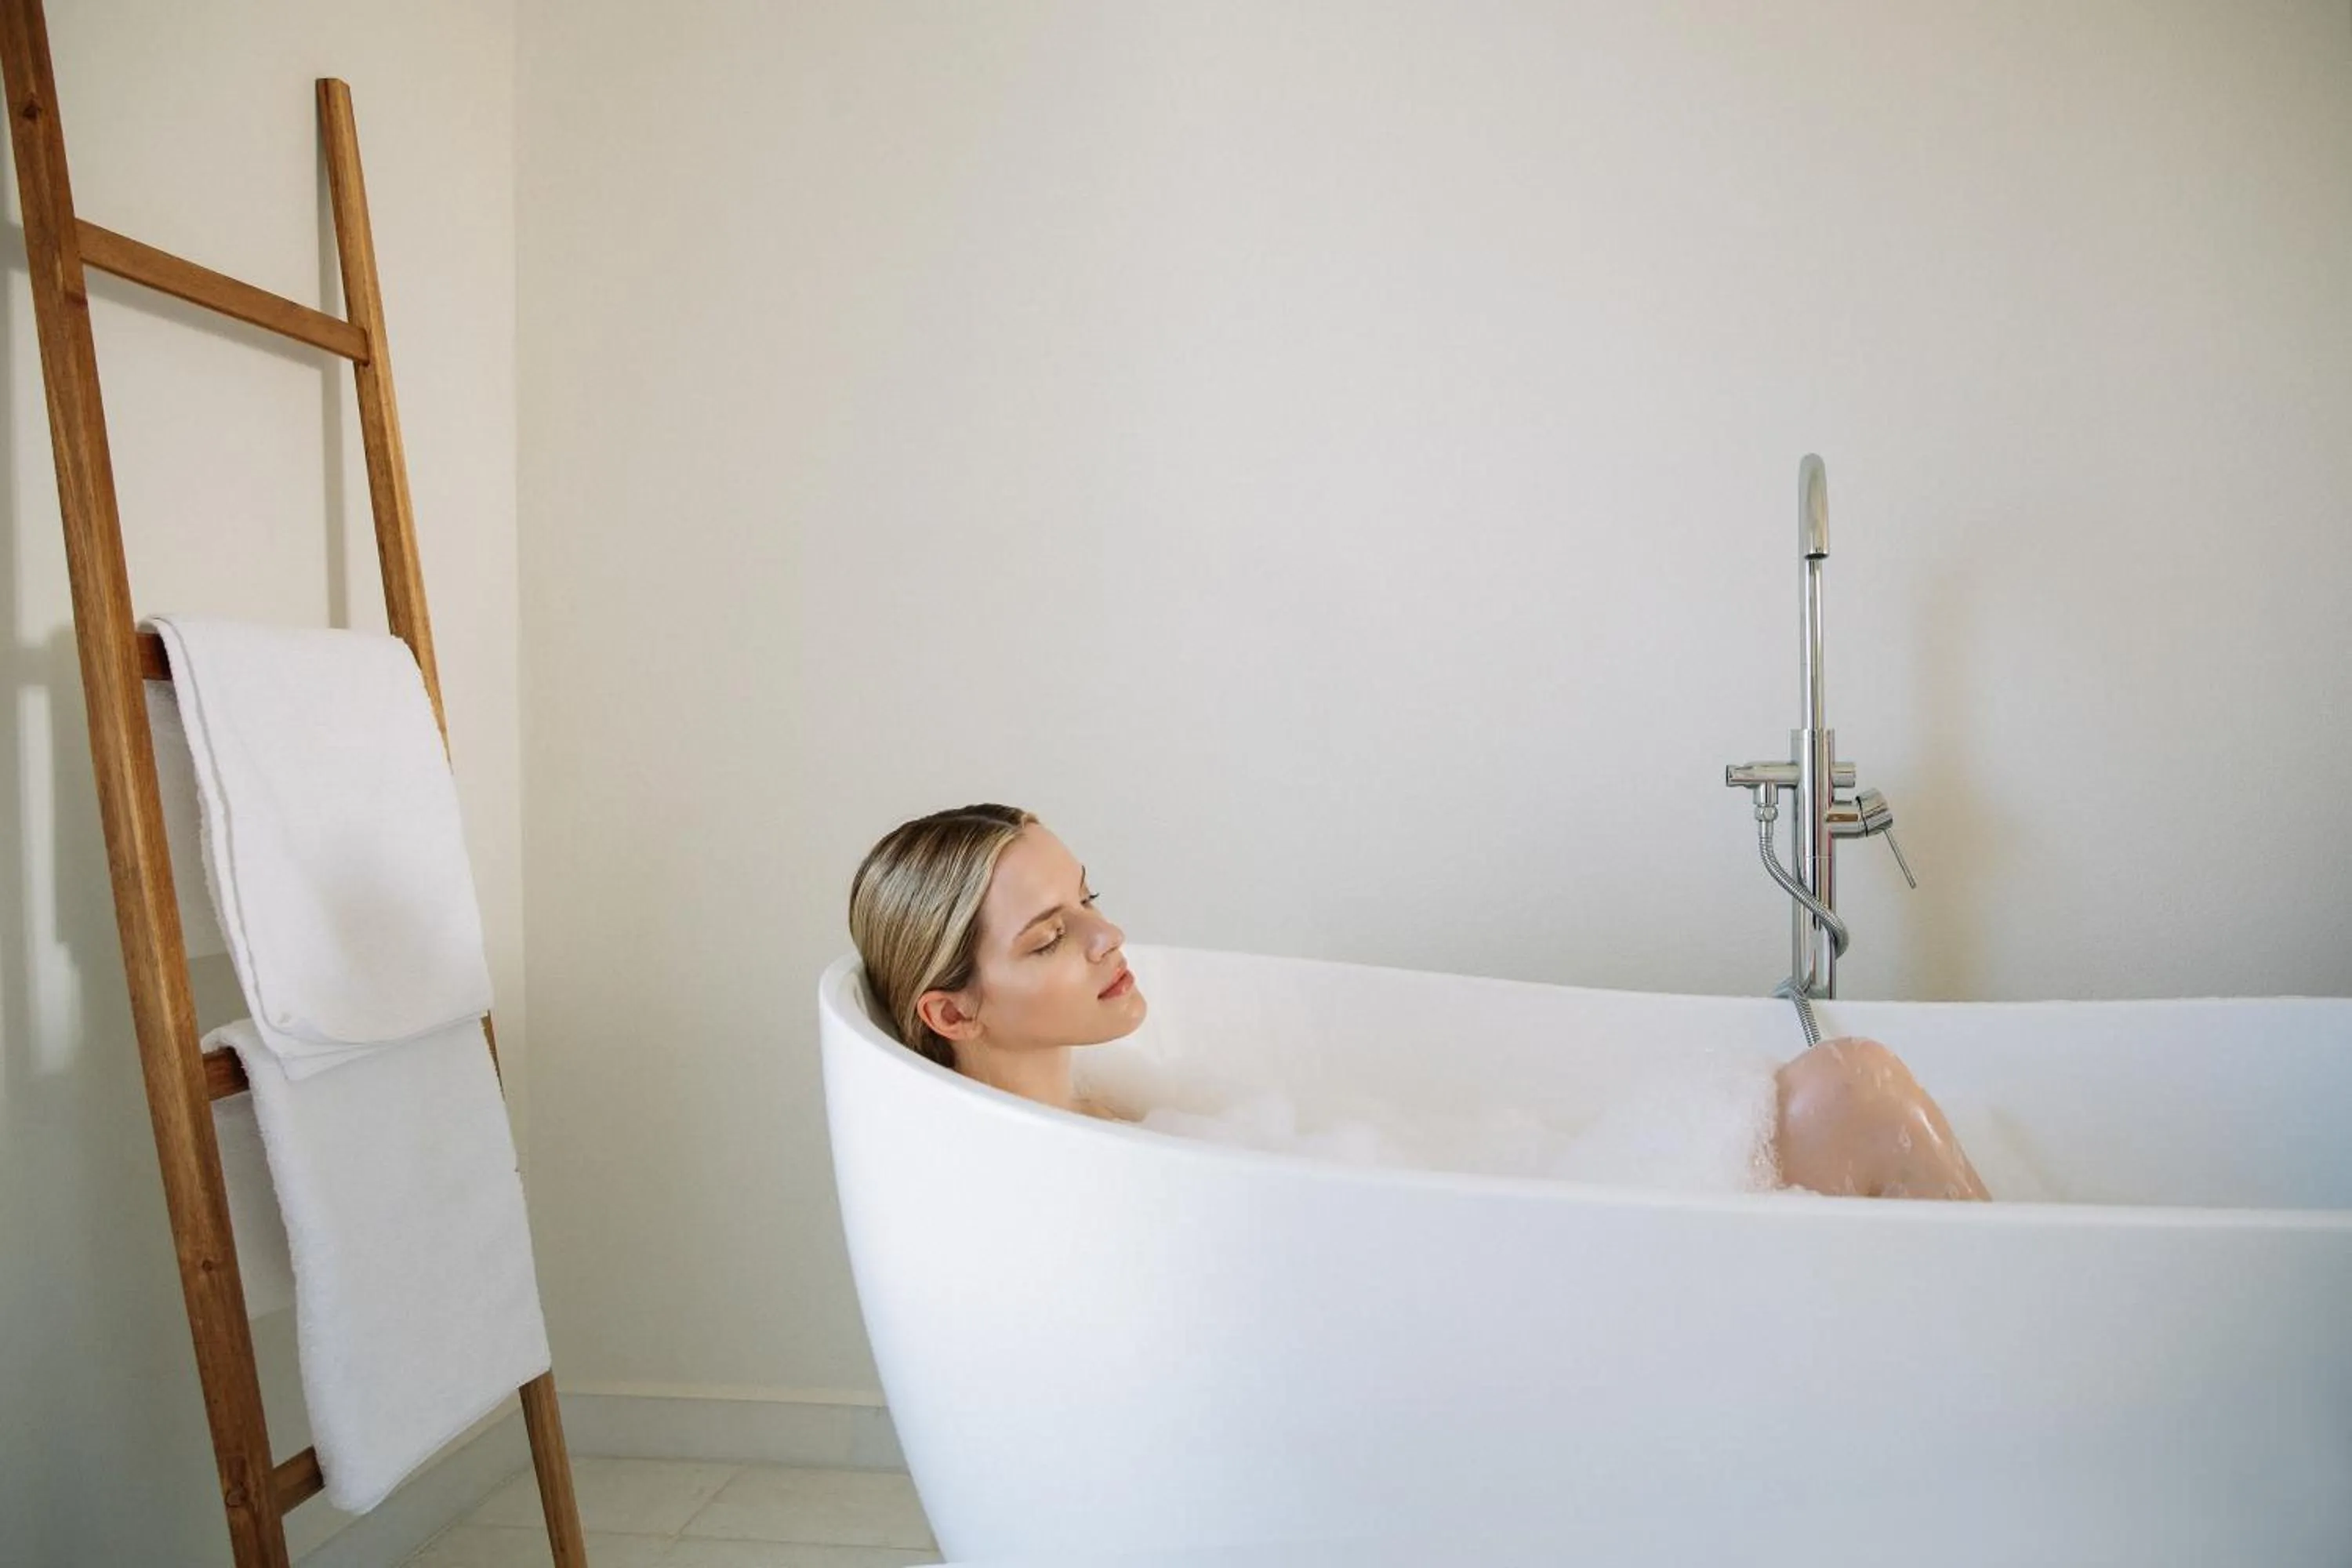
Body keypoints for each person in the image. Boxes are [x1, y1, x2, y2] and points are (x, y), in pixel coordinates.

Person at [848, 804, 1989, 1201]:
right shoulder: (1072, 1178)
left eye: (1090, 900)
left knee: (1852, 1085)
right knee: (1854, 1087)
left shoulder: (1121, 1117)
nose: (1111, 937)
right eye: (1052, 938)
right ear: (952, 1013)